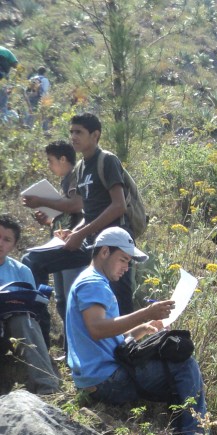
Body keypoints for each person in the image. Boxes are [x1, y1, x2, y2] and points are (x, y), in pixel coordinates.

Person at [67, 227, 207, 435]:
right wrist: (146, 313)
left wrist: (142, 328)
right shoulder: (92, 283)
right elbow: (96, 329)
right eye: (123, 259)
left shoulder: (92, 282)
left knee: (176, 372)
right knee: (185, 365)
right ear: (104, 252)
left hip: (98, 376)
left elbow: (105, 336)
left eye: (128, 261)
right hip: (107, 380)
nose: (126, 267)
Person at [23, 113, 135, 323]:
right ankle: (40, 326)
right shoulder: (81, 168)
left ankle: (130, 349)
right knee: (32, 261)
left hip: (115, 244)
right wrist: (73, 232)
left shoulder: (107, 160)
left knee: (120, 304)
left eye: (79, 132)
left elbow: (118, 206)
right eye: (72, 132)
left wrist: (80, 233)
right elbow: (89, 212)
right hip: (90, 244)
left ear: (95, 135)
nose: (73, 136)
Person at [22, 140, 85, 348]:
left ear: (63, 159)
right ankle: (68, 348)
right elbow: (68, 214)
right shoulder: (66, 180)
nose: (49, 166)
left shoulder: (76, 176)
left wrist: (42, 201)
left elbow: (76, 206)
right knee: (61, 300)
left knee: (70, 300)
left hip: (72, 246)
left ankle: (74, 350)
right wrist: (49, 220)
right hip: (60, 242)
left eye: (51, 161)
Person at [0, 214, 60, 395]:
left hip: (13, 333)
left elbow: (33, 308)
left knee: (22, 318)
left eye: (6, 239)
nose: (0, 243)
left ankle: (48, 388)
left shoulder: (21, 271)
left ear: (14, 245)